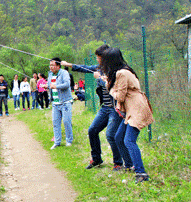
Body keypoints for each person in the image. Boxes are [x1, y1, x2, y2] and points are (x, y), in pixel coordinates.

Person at [61, 44, 133, 171]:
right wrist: (69, 65)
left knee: (111, 134)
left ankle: (118, 163)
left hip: (115, 108)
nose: (98, 60)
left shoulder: (116, 70)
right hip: (105, 107)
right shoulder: (100, 68)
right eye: (97, 57)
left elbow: (112, 87)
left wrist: (99, 79)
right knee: (92, 130)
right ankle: (96, 159)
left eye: (99, 57)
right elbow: (85, 68)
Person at [101, 48, 154, 183]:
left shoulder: (122, 73)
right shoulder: (124, 71)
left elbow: (120, 95)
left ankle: (141, 173)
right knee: (119, 137)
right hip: (132, 108)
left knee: (129, 140)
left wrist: (108, 86)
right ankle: (130, 165)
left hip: (136, 108)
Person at [44, 58, 73, 149]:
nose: (51, 67)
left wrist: (56, 86)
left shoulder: (64, 73)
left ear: (58, 66)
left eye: (53, 65)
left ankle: (69, 141)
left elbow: (67, 84)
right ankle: (57, 142)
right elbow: (50, 86)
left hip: (65, 102)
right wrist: (47, 86)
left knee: (66, 121)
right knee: (55, 123)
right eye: (50, 65)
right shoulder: (50, 75)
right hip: (55, 103)